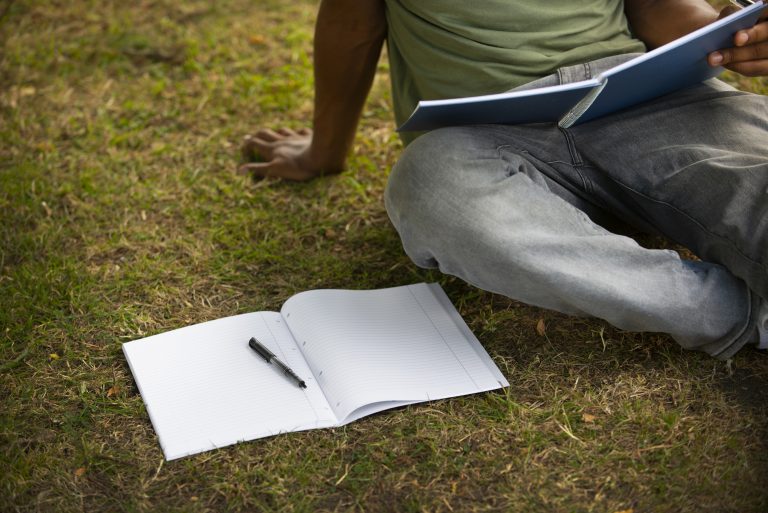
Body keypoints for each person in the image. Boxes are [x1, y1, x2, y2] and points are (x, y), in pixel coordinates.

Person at [240, 0, 768, 359]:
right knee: (432, 189)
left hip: (649, 98)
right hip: (485, 135)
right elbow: (351, 23)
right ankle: (742, 314)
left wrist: (723, 34)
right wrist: (324, 152)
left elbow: (653, 5)